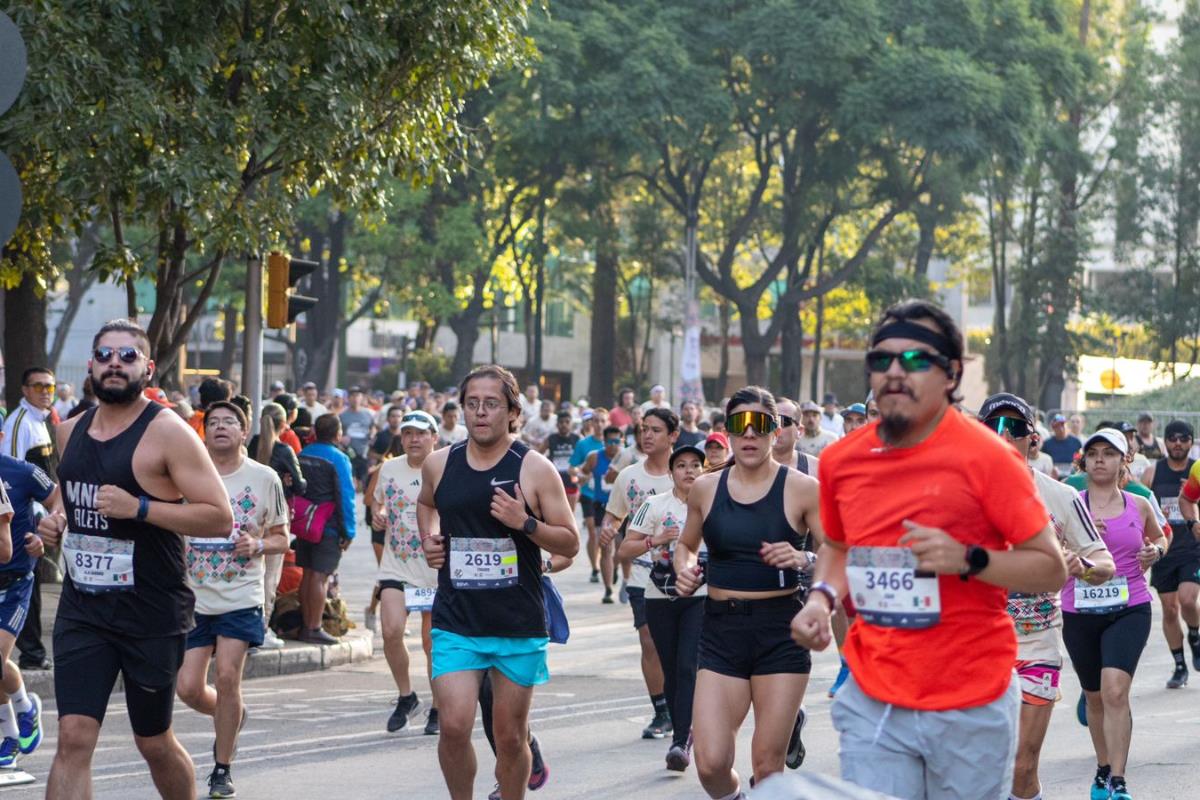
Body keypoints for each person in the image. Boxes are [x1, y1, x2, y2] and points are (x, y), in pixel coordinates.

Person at [790, 299, 1068, 800]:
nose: (895, 372)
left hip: (971, 700)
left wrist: (968, 559)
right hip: (873, 696)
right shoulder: (840, 461)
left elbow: (1050, 568)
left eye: (915, 360)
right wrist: (822, 598)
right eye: (882, 360)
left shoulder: (990, 458)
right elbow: (836, 545)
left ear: (951, 373)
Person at [36, 318, 235, 800]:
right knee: (74, 736)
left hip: (151, 611)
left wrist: (140, 508)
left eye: (127, 357)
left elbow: (219, 517)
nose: (115, 364)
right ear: (91, 366)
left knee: (153, 741)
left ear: (146, 368)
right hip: (84, 608)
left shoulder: (168, 433)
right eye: (105, 355)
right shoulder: (68, 431)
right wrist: (55, 518)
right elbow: (72, 489)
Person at [417, 365, 579, 800]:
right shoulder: (439, 463)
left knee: (510, 736)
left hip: (516, 620)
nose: (480, 413)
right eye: (472, 404)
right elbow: (426, 503)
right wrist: (428, 540)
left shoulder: (534, 469)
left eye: (491, 404)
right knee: (452, 726)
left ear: (511, 413)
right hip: (457, 618)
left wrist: (524, 522)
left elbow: (570, 541)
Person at [673, 387, 822, 799]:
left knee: (766, 766)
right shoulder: (706, 488)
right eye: (740, 425)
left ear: (777, 432)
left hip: (780, 631)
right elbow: (686, 545)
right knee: (711, 763)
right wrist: (686, 569)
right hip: (721, 629)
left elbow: (835, 553)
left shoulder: (803, 489)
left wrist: (804, 560)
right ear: (728, 431)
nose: (750, 435)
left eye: (761, 425)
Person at [978, 393, 1115, 800]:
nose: (1005, 436)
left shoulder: (1061, 497)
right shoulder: (958, 493)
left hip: (1036, 643)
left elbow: (1104, 563)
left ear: (1032, 438)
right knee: (984, 765)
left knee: (1022, 766)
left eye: (1015, 428)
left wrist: (1081, 567)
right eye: (994, 427)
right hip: (973, 645)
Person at [177, 401, 289, 798]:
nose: (221, 427)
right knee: (188, 688)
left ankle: (222, 768)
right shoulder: (187, 472)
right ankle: (232, 715)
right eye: (213, 422)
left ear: (244, 433)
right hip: (194, 598)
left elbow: (282, 537)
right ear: (203, 431)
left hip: (240, 595)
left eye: (230, 422)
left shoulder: (264, 478)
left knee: (227, 676)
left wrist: (257, 543)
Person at [1064, 429, 1165, 800]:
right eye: (1093, 454)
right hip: (1079, 610)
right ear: (1084, 462)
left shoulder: (1138, 504)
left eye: (1109, 453)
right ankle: (1103, 767)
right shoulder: (1070, 503)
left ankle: (1119, 780)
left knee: (1115, 690)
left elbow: (1160, 536)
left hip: (1130, 607)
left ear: (1124, 462)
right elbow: (1049, 544)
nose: (1100, 459)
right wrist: (1073, 550)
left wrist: (1156, 552)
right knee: (1093, 697)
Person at [620, 444, 706, 772]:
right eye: (681, 465)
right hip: (660, 595)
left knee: (687, 665)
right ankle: (682, 727)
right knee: (670, 669)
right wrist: (656, 541)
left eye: (695, 465)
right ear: (671, 473)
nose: (689, 471)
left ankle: (680, 740)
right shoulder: (656, 505)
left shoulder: (712, 502)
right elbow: (625, 549)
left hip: (700, 596)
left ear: (704, 469)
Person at [600, 408, 676, 739]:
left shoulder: (687, 473)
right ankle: (661, 711)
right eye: (644, 430)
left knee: (683, 647)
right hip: (642, 574)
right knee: (649, 642)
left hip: (687, 574)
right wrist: (606, 530)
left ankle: (685, 704)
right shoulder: (628, 476)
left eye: (656, 430)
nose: (647, 436)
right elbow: (614, 517)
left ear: (673, 436)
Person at [370, 410, 441, 735]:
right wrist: (379, 514)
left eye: (421, 433)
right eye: (408, 433)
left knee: (431, 642)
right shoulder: (389, 467)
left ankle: (439, 707)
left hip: (433, 569)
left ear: (433, 437)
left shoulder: (443, 467)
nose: (414, 439)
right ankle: (406, 695)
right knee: (391, 630)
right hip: (396, 564)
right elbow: (378, 502)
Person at [0, 437, 51, 769]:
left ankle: (12, 726)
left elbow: (61, 503)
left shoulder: (23, 471)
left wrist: (44, 535)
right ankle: (18, 719)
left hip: (14, 581)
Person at [2, 366, 57, 672]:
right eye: (38, 387)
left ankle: (32, 653)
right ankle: (31, 654)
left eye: (49, 387)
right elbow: (10, 479)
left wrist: (51, 518)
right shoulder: (19, 423)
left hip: (32, 529)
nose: (45, 392)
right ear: (25, 390)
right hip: (20, 523)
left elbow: (46, 484)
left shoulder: (40, 420)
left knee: (28, 584)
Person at [1140, 420, 1200, 688]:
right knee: (1169, 608)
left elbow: (1189, 502)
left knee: (1187, 600)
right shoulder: (1152, 473)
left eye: (1184, 438)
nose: (1178, 443)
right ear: (1165, 441)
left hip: (1192, 548)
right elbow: (1139, 509)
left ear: (1191, 442)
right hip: (1164, 550)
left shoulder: (1196, 472)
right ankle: (1179, 665)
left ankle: (1195, 636)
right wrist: (1155, 519)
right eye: (1173, 438)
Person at [248, 402, 304, 650]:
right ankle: (262, 629)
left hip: (249, 516)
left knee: (250, 575)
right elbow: (301, 485)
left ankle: (249, 626)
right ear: (284, 424)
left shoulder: (249, 446)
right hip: (276, 520)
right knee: (270, 577)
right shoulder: (284, 450)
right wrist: (289, 481)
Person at [296, 414, 356, 644]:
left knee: (308, 575)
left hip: (305, 525)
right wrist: (348, 531)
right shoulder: (338, 459)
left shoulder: (303, 453)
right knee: (320, 578)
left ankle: (304, 625)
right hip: (327, 527)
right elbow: (346, 497)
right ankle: (314, 627)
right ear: (337, 433)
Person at [579, 426, 623, 602]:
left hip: (622, 509)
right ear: (604, 442)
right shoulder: (595, 457)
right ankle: (608, 590)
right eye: (610, 442)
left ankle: (616, 567)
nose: (613, 445)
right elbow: (582, 472)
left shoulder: (626, 458)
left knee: (620, 548)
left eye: (617, 442)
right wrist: (582, 478)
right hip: (601, 507)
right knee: (605, 547)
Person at [569, 413, 606, 586]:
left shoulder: (614, 444)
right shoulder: (583, 444)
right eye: (595, 421)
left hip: (608, 496)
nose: (599, 424)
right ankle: (595, 567)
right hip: (588, 494)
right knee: (592, 531)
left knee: (606, 535)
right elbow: (572, 467)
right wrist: (580, 475)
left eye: (602, 421)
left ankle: (609, 564)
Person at [544, 412, 580, 514]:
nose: (564, 424)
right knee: (554, 512)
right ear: (557, 424)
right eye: (561, 422)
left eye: (567, 422)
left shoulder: (577, 438)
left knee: (570, 512)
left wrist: (579, 472)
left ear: (571, 424)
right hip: (554, 479)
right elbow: (538, 454)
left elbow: (584, 458)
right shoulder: (551, 438)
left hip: (571, 479)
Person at [339, 386, 375, 488]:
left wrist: (372, 435)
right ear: (348, 398)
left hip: (365, 453)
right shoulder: (342, 415)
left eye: (358, 395)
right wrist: (342, 439)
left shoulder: (368, 413)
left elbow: (374, 427)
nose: (355, 398)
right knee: (351, 484)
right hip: (349, 454)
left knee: (365, 485)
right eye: (352, 396)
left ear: (362, 397)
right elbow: (337, 434)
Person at [772, 399, 818, 475]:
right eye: (769, 421)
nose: (776, 428)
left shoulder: (816, 469)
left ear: (799, 431)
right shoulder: (748, 466)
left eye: (782, 421)